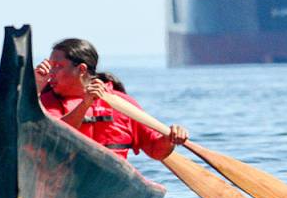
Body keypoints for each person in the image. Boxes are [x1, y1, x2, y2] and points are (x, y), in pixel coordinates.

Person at [34, 38, 188, 161]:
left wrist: (170, 138)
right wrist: (35, 87)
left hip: (108, 184)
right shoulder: (42, 104)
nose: (50, 73)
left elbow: (156, 151)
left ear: (81, 69)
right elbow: (51, 138)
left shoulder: (122, 103)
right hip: (59, 178)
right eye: (50, 66)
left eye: (58, 66)